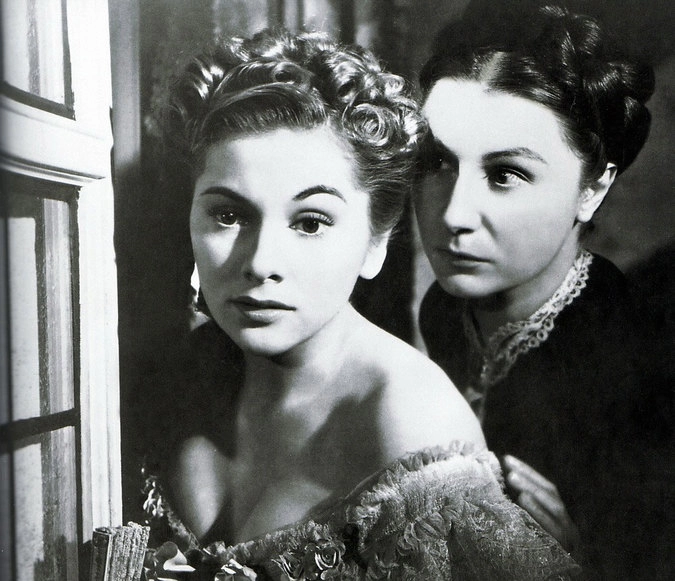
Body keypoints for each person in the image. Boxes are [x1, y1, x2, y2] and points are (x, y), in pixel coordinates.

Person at [140, 28, 579, 580]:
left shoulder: (408, 423)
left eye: (310, 223)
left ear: (376, 243)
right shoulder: (178, 374)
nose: (260, 262)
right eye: (228, 215)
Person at [415, 4, 673, 579]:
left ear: (592, 189)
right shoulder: (445, 309)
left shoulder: (640, 360)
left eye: (505, 174)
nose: (454, 215)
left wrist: (582, 562)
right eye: (437, 162)